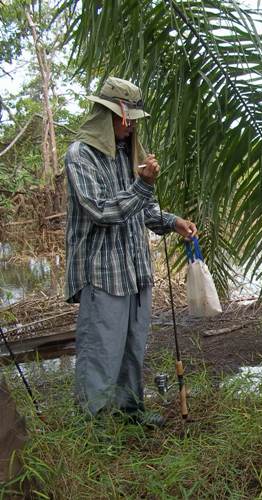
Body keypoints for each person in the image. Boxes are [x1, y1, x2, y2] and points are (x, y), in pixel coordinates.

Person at [64, 77, 197, 426]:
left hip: (136, 268)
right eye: (129, 118)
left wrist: (172, 222)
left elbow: (146, 211)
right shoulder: (81, 155)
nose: (134, 124)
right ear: (110, 116)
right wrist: (142, 185)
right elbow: (102, 211)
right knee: (101, 352)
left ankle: (129, 413)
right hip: (103, 272)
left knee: (133, 348)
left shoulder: (129, 154)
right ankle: (95, 426)